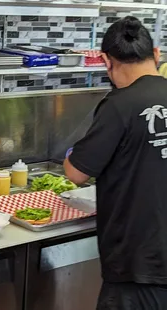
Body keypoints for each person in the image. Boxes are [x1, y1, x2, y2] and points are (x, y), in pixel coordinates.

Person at [64, 16, 167, 309]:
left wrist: (72, 154)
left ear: (106, 61)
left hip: (139, 268)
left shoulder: (120, 104)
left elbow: (76, 173)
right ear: (156, 55)